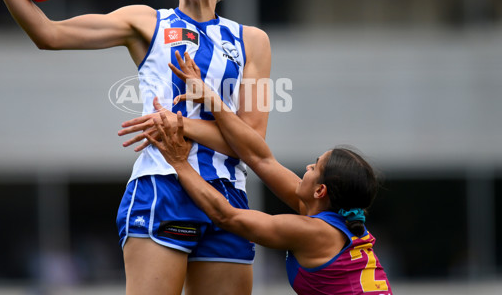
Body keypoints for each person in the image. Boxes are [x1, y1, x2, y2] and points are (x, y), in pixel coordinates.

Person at [0, 0, 271, 295]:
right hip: (162, 187)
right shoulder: (145, 22)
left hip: (229, 193)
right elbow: (49, 34)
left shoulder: (253, 41)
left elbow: (253, 144)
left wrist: (179, 125)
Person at [141, 51, 392, 295]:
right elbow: (260, 159)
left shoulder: (313, 232)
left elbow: (227, 217)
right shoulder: (332, 221)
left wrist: (180, 163)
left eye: (314, 168)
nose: (307, 168)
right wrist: (211, 100)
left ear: (320, 191)